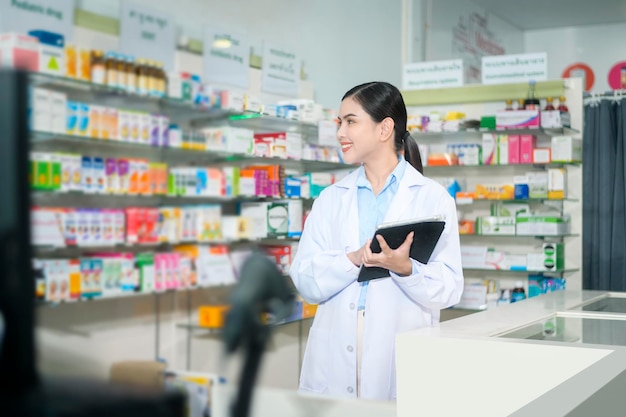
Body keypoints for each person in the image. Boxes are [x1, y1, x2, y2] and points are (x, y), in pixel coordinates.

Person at [289, 81, 464, 401]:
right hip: (337, 347)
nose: (341, 132)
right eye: (339, 122)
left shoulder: (433, 198)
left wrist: (407, 268)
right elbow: (304, 278)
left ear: (384, 129)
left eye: (351, 121)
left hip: (399, 346)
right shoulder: (330, 199)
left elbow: (450, 287)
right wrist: (352, 259)